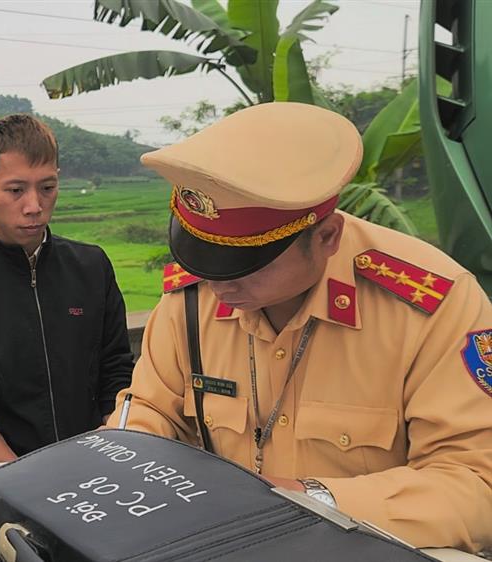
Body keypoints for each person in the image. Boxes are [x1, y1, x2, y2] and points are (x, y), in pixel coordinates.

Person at [111, 102, 492, 552]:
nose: (218, 285)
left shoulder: (434, 306)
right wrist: (121, 457)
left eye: (244, 265)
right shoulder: (191, 301)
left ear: (326, 237)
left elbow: (474, 482)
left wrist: (308, 502)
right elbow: (150, 413)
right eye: (203, 261)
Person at [0, 114, 135, 464]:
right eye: (16, 190)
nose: (34, 206)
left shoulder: (91, 267)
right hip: (4, 481)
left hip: (97, 469)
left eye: (47, 187)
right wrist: (21, 479)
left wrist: (106, 449)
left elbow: (117, 370)